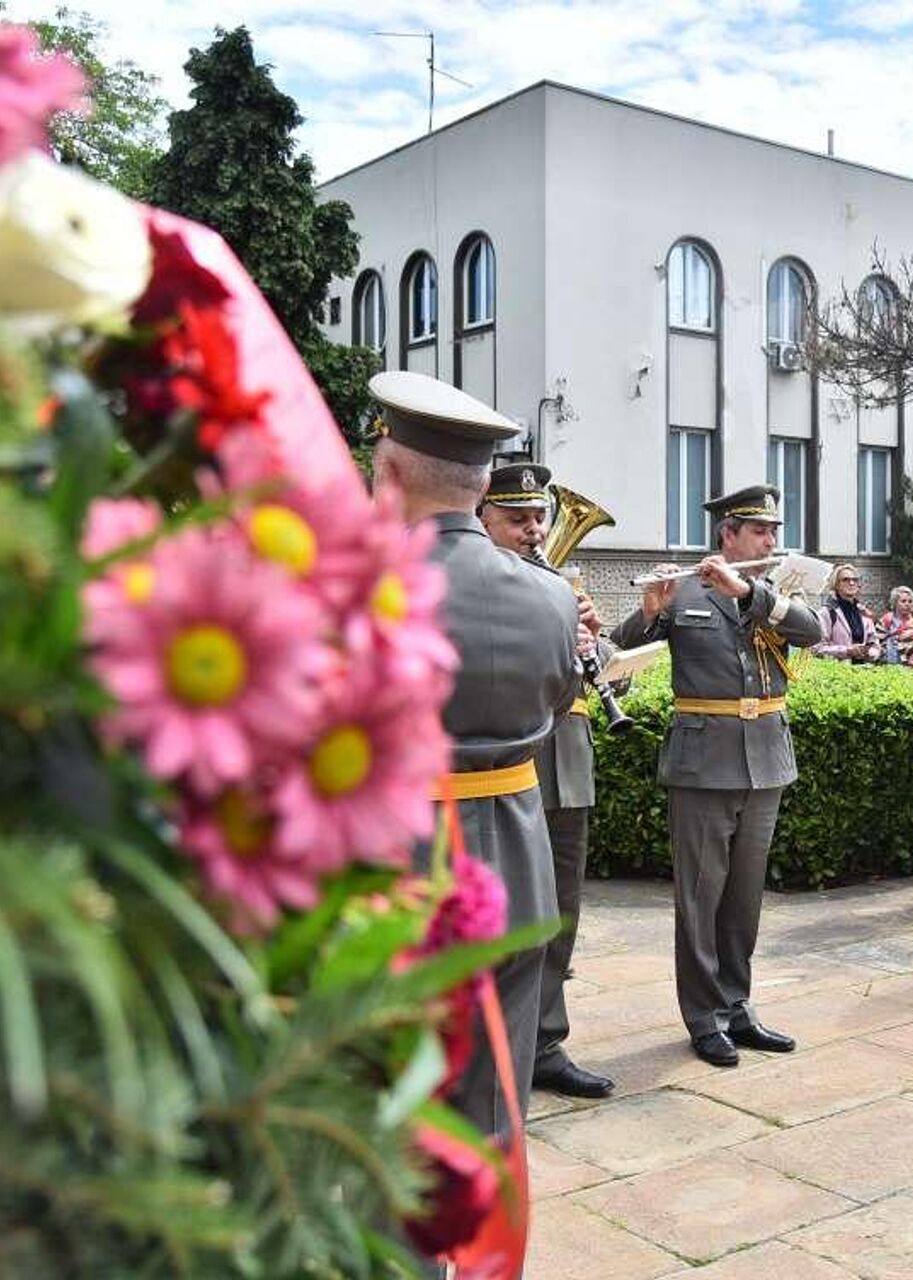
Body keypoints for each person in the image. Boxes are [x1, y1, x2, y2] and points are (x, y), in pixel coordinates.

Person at [369, 371, 580, 1139]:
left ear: (387, 468)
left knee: (399, 1132)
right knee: (494, 1124)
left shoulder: (354, 587)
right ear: (484, 480)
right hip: (519, 874)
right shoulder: (552, 595)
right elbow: (557, 703)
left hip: (399, 871)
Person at [610, 484, 822, 1068]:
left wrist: (749, 590)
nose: (771, 541)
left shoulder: (770, 591)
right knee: (701, 898)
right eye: (759, 532)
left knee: (744, 899)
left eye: (773, 531)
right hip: (703, 764)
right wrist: (650, 610)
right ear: (727, 535)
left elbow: (812, 632)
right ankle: (703, 1015)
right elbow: (617, 652)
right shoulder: (682, 590)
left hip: (765, 761)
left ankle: (737, 1004)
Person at [476, 461, 617, 1100]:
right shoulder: (481, 589)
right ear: (482, 521)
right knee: (497, 921)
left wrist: (592, 641)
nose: (534, 531)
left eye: (539, 518)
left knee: (560, 914)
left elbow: (606, 671)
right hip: (504, 775)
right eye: (516, 519)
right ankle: (490, 1046)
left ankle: (544, 1043)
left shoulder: (563, 587)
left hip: (568, 766)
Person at [816, 564, 883, 662]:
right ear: (836, 585)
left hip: (864, 672)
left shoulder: (863, 612)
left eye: (855, 580)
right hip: (836, 672)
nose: (851, 583)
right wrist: (847, 651)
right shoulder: (827, 613)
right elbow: (817, 649)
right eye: (845, 580)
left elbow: (875, 646)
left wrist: (869, 653)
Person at [881, 586, 913, 667]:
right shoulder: (886, 620)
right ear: (895, 603)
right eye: (903, 601)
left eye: (910, 601)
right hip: (886, 665)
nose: (907, 604)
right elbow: (877, 641)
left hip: (910, 667)